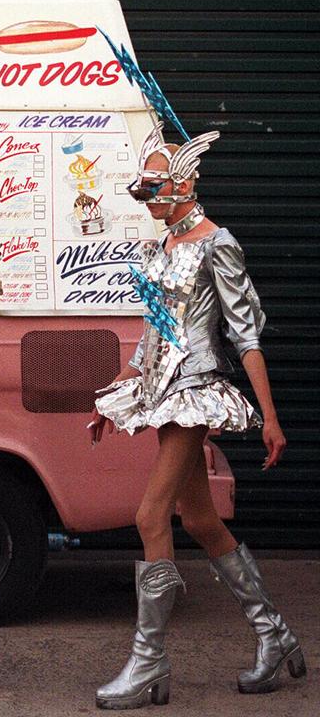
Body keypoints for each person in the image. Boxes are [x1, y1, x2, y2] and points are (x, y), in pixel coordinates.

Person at [89, 124, 304, 709]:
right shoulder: (163, 246)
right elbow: (156, 327)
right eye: (144, 192)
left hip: (196, 389)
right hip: (160, 389)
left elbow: (245, 335)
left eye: (154, 190)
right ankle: (275, 634)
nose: (149, 201)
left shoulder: (218, 243)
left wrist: (269, 415)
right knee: (201, 522)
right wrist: (121, 384)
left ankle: (149, 663)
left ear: (185, 183)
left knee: (149, 514)